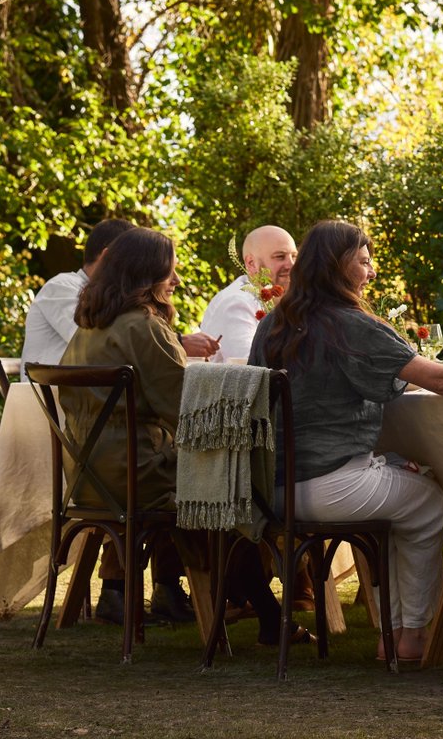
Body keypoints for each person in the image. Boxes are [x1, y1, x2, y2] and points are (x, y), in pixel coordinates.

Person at [250, 220, 443, 664]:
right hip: (329, 485)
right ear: (339, 265)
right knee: (429, 503)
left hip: (275, 491)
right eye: (363, 261)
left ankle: (394, 635)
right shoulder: (346, 323)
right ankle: (410, 638)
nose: (371, 272)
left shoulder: (275, 323)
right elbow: (437, 377)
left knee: (406, 499)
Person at [62, 227, 289, 642]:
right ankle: (266, 607)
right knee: (233, 482)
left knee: (221, 476)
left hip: (88, 478)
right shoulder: (142, 326)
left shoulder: (88, 327)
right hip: (138, 474)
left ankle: (253, 601)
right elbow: (187, 412)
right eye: (171, 272)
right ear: (146, 275)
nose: (178, 281)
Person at [22, 219, 221, 373]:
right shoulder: (62, 286)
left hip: (93, 402)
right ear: (109, 256)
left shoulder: (122, 307)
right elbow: (97, 340)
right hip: (55, 406)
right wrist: (176, 342)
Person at [200, 225, 298, 363]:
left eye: (294, 256)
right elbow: (251, 367)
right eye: (280, 257)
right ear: (251, 263)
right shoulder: (236, 303)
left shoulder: (289, 301)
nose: (291, 265)